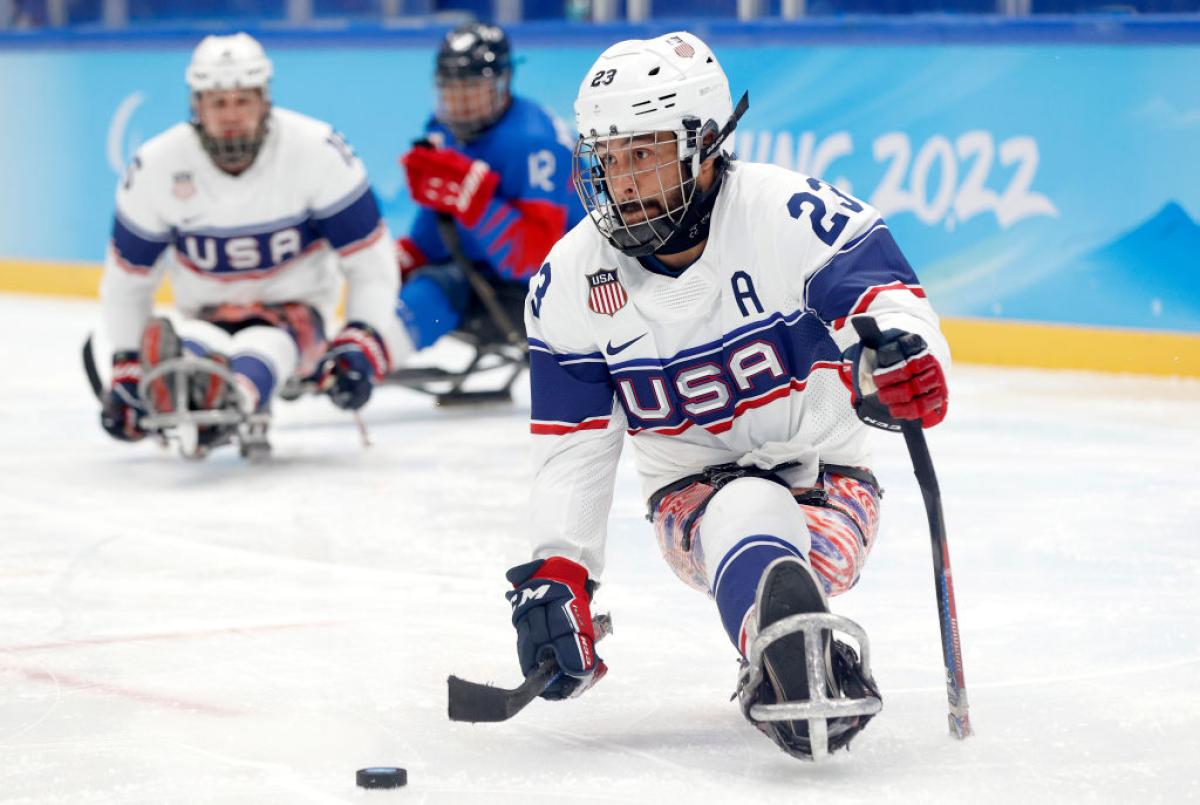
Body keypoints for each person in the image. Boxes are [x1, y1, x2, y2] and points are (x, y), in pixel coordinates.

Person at [502, 31, 951, 760]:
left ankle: (786, 642)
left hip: (834, 487)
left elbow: (892, 307)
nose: (622, 179)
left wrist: (901, 362)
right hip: (692, 503)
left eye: (642, 153)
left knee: (763, 508)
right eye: (607, 159)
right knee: (743, 506)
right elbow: (573, 444)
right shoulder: (569, 281)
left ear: (706, 143)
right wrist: (561, 566)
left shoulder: (790, 214)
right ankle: (785, 648)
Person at [98, 32, 408, 457]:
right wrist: (128, 369)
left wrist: (360, 341)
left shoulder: (318, 151)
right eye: (218, 102)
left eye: (242, 101)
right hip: (205, 315)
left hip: (296, 318)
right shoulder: (155, 166)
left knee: (265, 346)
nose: (231, 115)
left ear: (264, 100)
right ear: (197, 105)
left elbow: (369, 262)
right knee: (191, 351)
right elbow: (127, 282)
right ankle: (197, 385)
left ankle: (228, 400)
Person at [393, 22, 581, 355]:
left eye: (472, 91)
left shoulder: (534, 144)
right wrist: (407, 257)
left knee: (435, 289)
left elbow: (539, 265)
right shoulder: (443, 127)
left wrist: (478, 203)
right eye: (452, 92)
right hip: (484, 269)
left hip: (553, 291)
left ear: (503, 84)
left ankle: (369, 356)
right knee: (393, 277)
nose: (461, 105)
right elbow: (441, 218)